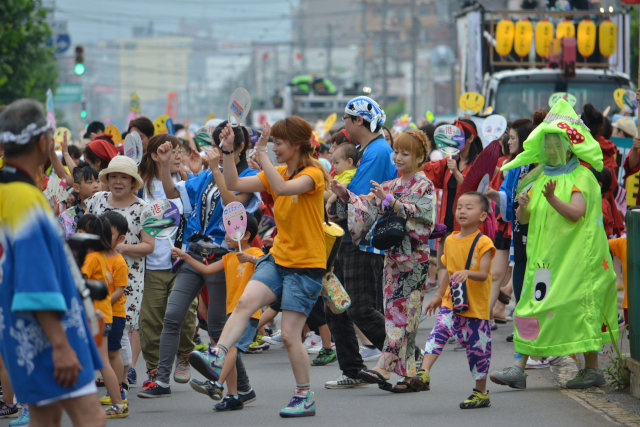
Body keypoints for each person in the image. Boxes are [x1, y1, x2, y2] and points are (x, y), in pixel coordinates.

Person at [188, 117, 328, 417]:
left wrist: (261, 152)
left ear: (298, 144)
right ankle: (217, 356)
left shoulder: (314, 174)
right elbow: (235, 183)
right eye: (273, 142)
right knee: (245, 303)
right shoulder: (274, 170)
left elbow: (285, 188)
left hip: (306, 266)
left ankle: (304, 395)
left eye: (280, 143)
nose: (275, 148)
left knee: (290, 335)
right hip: (277, 258)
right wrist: (226, 151)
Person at [490, 99, 618, 390]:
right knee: (531, 307)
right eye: (546, 143)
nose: (550, 149)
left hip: (576, 261)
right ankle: (518, 367)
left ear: (568, 145)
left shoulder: (582, 176)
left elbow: (575, 212)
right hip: (544, 261)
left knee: (578, 307)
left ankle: (592, 369)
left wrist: (551, 199)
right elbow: (523, 218)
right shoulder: (537, 176)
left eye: (555, 143)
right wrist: (522, 204)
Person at [0, 98, 105, 426]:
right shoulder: (25, 200)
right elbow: (34, 279)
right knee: (92, 418)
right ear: (44, 142)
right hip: (48, 333)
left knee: (45, 419)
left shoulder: (7, 191)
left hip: (19, 329)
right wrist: (60, 344)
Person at [139, 121, 260, 399]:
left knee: (217, 327)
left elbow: (234, 205)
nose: (219, 148)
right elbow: (173, 193)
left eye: (226, 144)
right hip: (193, 252)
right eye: (217, 143)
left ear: (239, 147)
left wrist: (217, 168)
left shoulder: (250, 175)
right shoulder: (206, 176)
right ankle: (162, 381)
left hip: (222, 256)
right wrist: (165, 164)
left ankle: (242, 386)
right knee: (172, 316)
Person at [331, 130, 435, 392]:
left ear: (420, 156)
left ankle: (383, 367)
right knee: (397, 314)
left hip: (413, 259)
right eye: (396, 152)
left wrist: (394, 204)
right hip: (392, 259)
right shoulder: (391, 185)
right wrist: (346, 195)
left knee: (403, 314)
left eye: (405, 153)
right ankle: (411, 376)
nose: (398, 158)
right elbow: (365, 208)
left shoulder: (424, 185)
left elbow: (423, 217)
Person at [324, 96, 397, 390]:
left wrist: (335, 194)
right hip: (348, 237)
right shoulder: (368, 149)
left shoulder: (378, 151)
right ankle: (353, 370)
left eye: (346, 118)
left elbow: (353, 198)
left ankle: (408, 360)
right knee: (336, 304)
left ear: (358, 120)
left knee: (361, 308)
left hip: (363, 239)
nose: (343, 124)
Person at [412, 192, 495, 408]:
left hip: (475, 307)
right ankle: (424, 372)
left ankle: (480, 392)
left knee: (478, 351)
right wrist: (439, 296)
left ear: (483, 215)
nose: (462, 211)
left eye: (469, 207)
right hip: (451, 303)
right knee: (438, 332)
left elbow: (484, 273)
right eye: (459, 207)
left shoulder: (483, 242)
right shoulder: (449, 240)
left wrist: (468, 272)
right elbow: (448, 272)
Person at [172, 214, 261, 411]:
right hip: (234, 313)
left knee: (231, 348)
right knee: (230, 349)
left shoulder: (255, 252)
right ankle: (233, 395)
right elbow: (208, 270)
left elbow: (268, 265)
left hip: (249, 313)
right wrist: (186, 257)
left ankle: (217, 383)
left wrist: (251, 258)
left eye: (230, 230)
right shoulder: (229, 257)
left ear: (245, 235)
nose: (225, 234)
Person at [85, 155, 155, 390]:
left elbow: (149, 246)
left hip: (129, 278)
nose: (117, 182)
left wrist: (121, 247)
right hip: (96, 274)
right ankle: (106, 373)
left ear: (133, 182)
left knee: (121, 328)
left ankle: (122, 379)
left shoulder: (143, 209)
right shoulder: (96, 200)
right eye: (113, 176)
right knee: (98, 324)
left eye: (123, 177)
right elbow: (85, 229)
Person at [137, 134, 197, 387]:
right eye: (170, 151)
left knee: (184, 315)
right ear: (155, 155)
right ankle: (154, 370)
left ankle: (184, 355)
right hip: (151, 266)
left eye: (178, 151)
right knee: (150, 321)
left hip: (181, 263)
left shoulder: (187, 182)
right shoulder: (140, 185)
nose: (176, 156)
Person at [77, 214, 128, 419]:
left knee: (101, 361)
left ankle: (118, 404)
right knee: (98, 360)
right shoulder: (98, 256)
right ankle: (116, 402)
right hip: (102, 315)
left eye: (81, 232)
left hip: (95, 316)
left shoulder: (90, 258)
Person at [99, 211, 129, 406]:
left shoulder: (118, 261)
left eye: (107, 234)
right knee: (103, 354)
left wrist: (103, 301)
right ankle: (112, 390)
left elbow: (120, 290)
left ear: (121, 239)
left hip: (115, 314)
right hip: (98, 313)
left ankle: (118, 389)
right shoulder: (94, 256)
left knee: (113, 352)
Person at [58, 162, 100, 239]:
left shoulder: (106, 209)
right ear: (77, 187)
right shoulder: (67, 215)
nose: (96, 185)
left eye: (98, 181)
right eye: (90, 182)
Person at [326, 143, 358, 213]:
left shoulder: (349, 173)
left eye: (337, 163)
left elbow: (341, 189)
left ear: (349, 162)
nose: (334, 166)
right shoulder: (342, 174)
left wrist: (329, 201)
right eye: (333, 163)